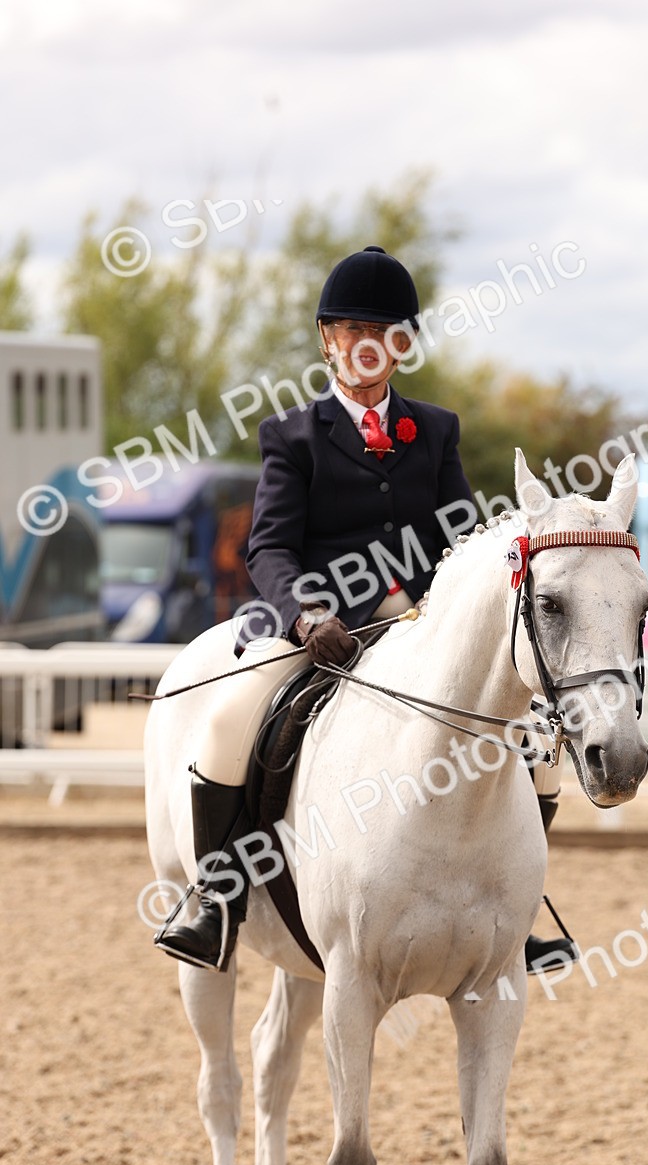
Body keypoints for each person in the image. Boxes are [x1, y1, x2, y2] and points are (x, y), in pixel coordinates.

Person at [155, 246, 575, 975]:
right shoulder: (292, 436)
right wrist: (307, 613)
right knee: (226, 722)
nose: (369, 344)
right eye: (354, 330)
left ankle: (519, 912)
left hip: (416, 625)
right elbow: (268, 549)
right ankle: (216, 902)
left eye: (386, 331)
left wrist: (449, 609)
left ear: (403, 345)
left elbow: (462, 541)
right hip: (321, 628)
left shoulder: (435, 430)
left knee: (536, 748)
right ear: (329, 340)